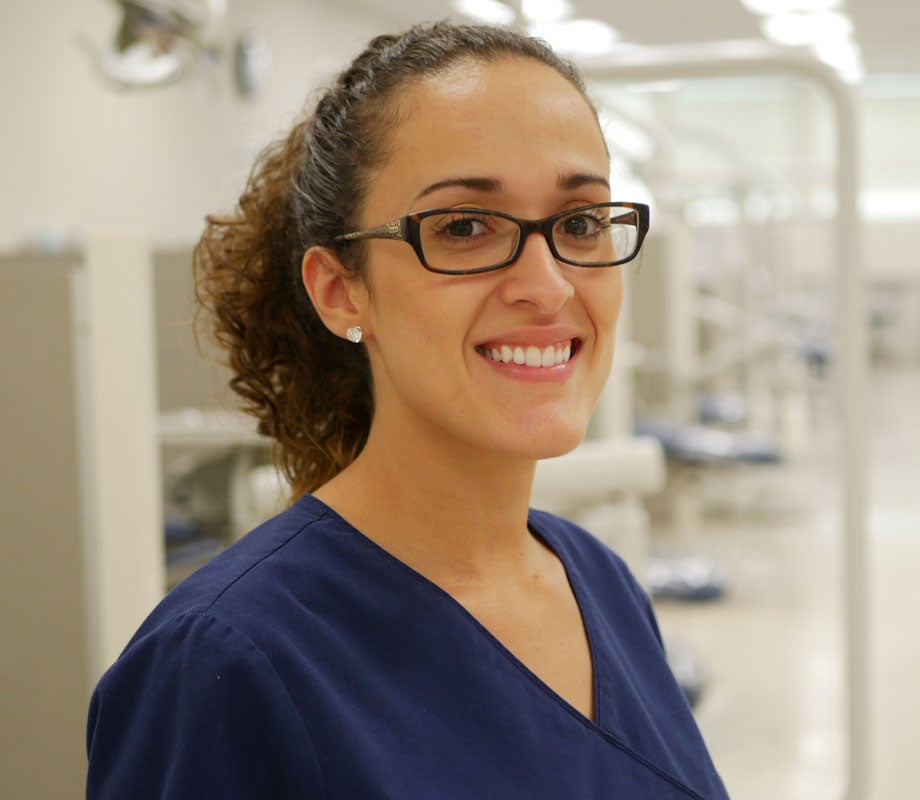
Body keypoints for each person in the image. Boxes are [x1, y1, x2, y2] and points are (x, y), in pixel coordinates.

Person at [86, 21, 729, 800]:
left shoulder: (599, 582)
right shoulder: (225, 662)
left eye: (581, 223)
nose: (549, 284)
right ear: (341, 290)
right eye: (464, 227)